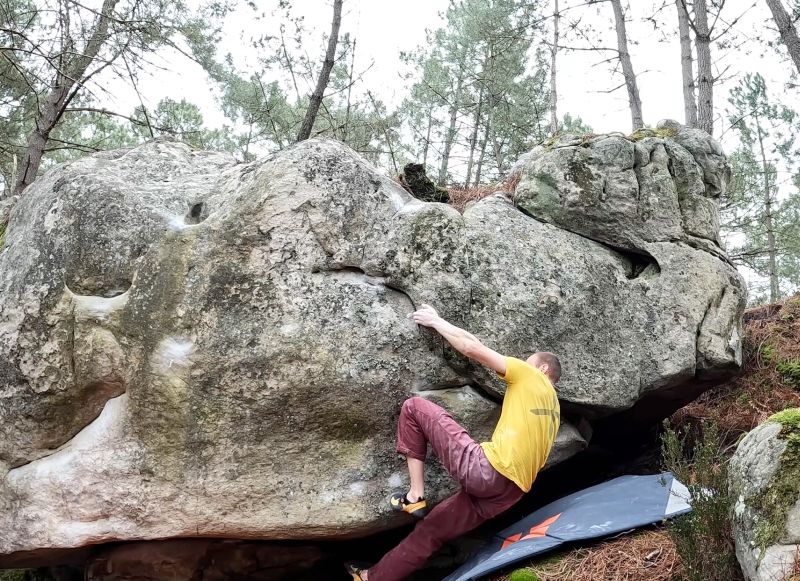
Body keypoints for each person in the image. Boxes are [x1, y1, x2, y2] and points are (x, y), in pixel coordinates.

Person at [347, 304, 562, 581]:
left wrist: (436, 321)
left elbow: (472, 348)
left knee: (414, 407)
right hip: (507, 494)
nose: (522, 364)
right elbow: (477, 343)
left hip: (488, 471)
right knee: (431, 531)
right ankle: (371, 577)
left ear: (542, 368)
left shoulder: (532, 376)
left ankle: (414, 495)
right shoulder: (554, 411)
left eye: (528, 361)